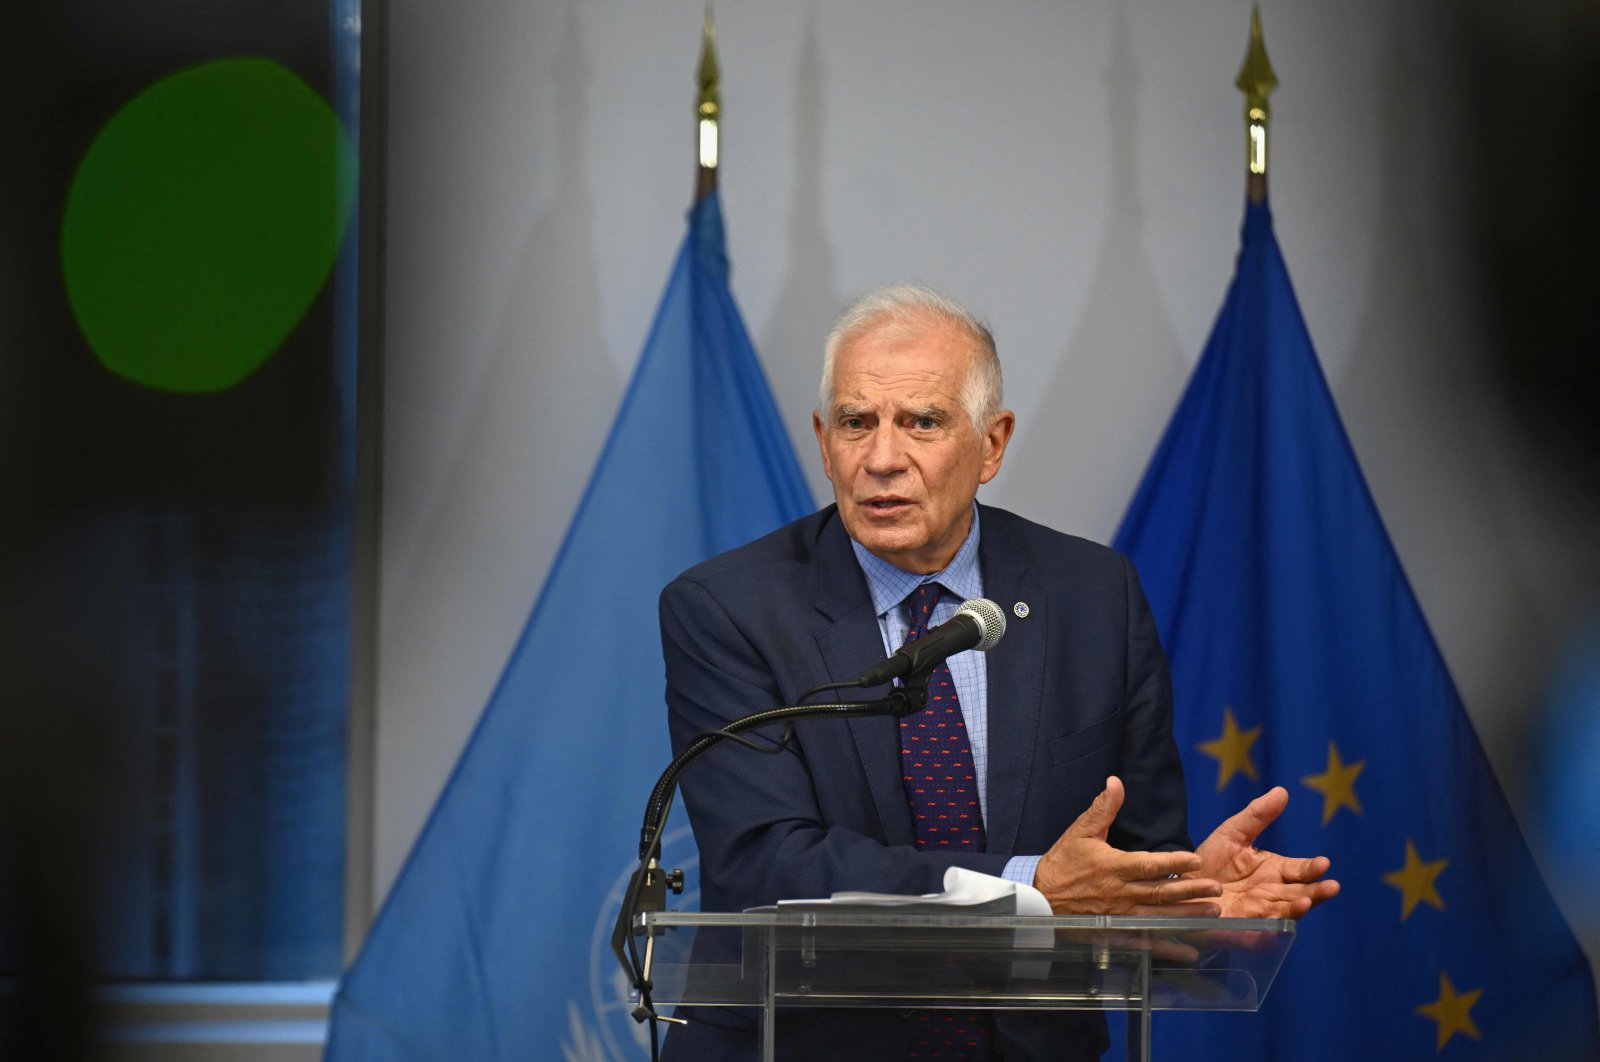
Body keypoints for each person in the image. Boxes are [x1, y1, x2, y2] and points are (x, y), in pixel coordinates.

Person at [659, 286, 1338, 1059]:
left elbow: (1124, 862)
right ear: (823, 440)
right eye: (856, 422)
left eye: (922, 421)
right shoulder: (727, 609)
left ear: (992, 443)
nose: (882, 457)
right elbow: (765, 866)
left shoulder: (1093, 598)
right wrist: (1031, 888)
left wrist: (1184, 898)